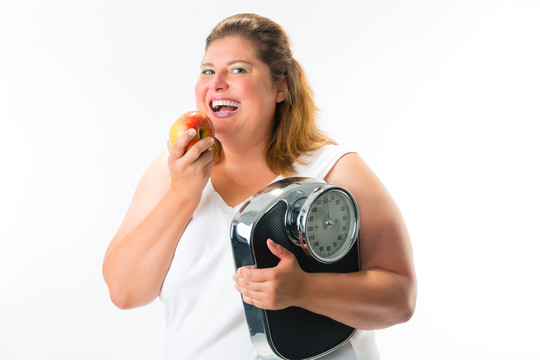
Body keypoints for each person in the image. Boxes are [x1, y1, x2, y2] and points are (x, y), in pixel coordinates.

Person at [102, 13, 416, 360]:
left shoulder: (334, 171)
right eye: (208, 70)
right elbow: (125, 292)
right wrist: (182, 193)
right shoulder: (171, 172)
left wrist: (305, 290)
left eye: (237, 69)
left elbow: (400, 298)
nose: (217, 82)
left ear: (281, 87)